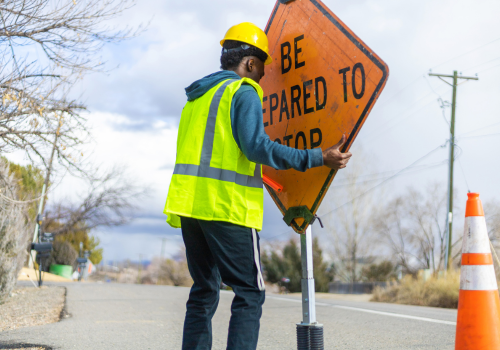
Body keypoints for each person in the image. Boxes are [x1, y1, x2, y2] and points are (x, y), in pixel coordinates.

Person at [163, 22, 352, 350]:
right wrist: (317, 157)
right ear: (250, 63)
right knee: (250, 293)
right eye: (262, 66)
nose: (264, 75)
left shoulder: (197, 98)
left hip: (188, 207)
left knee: (204, 291)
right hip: (226, 207)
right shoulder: (243, 91)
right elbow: (257, 147)